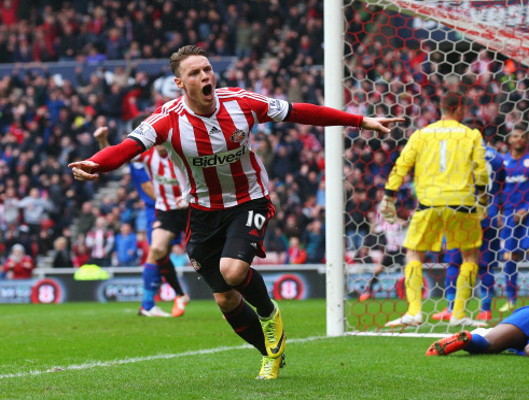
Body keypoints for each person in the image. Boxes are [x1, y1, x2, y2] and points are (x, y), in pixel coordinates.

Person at [69, 44, 402, 380]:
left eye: (207, 69)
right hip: (202, 212)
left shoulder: (242, 103)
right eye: (194, 73)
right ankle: (270, 354)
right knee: (225, 299)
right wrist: (94, 164)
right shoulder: (166, 121)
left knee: (231, 270)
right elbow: (126, 148)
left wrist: (360, 120)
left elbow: (300, 112)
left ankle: (270, 315)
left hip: (249, 200)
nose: (204, 76)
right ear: (180, 83)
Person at [379, 92, 489, 328]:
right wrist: (482, 198)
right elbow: (480, 169)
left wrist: (389, 195)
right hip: (463, 203)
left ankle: (414, 312)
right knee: (470, 256)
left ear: (441, 108)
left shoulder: (422, 134)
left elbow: (402, 164)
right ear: (459, 108)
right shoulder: (471, 134)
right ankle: (458, 314)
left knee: (414, 253)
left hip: (430, 203)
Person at [94, 126, 191, 318]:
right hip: (164, 210)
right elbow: (116, 158)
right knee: (156, 251)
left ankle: (229, 299)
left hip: (192, 207)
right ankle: (167, 298)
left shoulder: (184, 152)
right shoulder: (146, 156)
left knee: (207, 254)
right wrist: (103, 142)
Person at [432, 140, 506, 321]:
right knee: (485, 265)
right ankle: (486, 309)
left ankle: (451, 308)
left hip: (464, 213)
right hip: (490, 214)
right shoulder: (497, 158)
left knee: (455, 262)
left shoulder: (461, 154)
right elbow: (502, 187)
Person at [499, 123, 529, 312]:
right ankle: (511, 299)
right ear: (509, 140)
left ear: (527, 140)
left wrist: (527, 209)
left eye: (522, 137)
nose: (519, 139)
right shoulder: (502, 163)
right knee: (510, 256)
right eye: (516, 136)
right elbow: (498, 189)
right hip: (510, 214)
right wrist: (501, 212)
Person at [359, 211, 406, 302]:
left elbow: (405, 223)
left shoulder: (397, 224)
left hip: (400, 252)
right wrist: (374, 222)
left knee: (407, 271)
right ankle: (369, 292)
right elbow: (373, 231)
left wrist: (395, 219)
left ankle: (412, 291)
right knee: (377, 270)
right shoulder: (385, 225)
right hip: (390, 253)